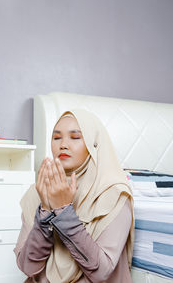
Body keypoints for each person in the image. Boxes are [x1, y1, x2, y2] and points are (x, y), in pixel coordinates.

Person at [14, 109, 134, 283]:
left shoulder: (114, 193)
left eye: (75, 137)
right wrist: (46, 211)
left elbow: (101, 272)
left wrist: (63, 212)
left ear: (95, 144)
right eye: (56, 138)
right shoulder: (38, 191)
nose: (63, 145)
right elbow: (28, 267)